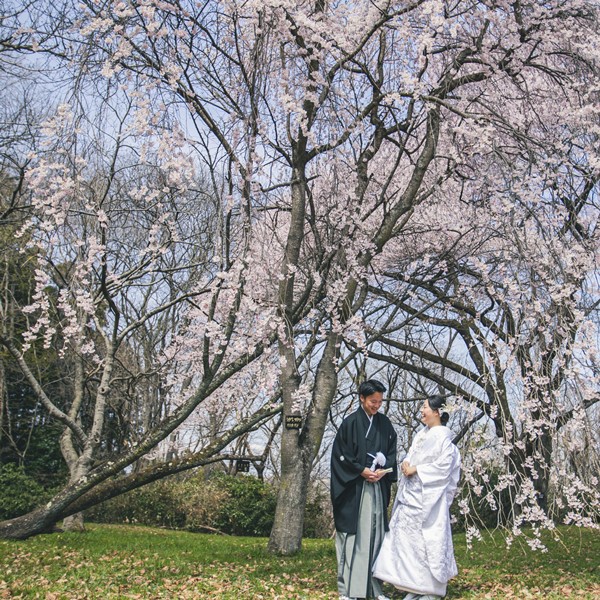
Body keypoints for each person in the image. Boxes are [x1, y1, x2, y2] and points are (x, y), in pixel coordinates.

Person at [372, 394, 461, 600]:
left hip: (427, 501)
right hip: (410, 498)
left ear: (437, 412)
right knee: (404, 542)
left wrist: (417, 469)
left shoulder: (444, 440)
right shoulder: (422, 434)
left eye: (425, 407)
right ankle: (411, 587)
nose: (422, 411)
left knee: (425, 545)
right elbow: (412, 455)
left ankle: (428, 589)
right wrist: (405, 463)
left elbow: (444, 468)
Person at [330, 379, 398, 600]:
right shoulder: (350, 423)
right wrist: (360, 470)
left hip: (376, 487)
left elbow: (391, 453)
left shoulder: (385, 424)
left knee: (376, 536)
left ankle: (374, 589)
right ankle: (348, 591)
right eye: (372, 401)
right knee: (353, 537)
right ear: (362, 398)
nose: (376, 406)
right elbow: (341, 455)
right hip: (355, 489)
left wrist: (383, 470)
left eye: (379, 402)